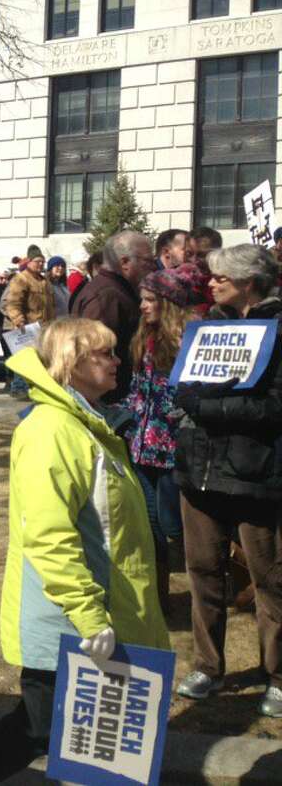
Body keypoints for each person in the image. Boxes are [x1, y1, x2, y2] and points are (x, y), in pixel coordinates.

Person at [0, 318, 169, 786]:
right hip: (73, 621)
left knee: (76, 735)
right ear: (70, 363)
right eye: (105, 353)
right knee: (42, 726)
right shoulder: (52, 430)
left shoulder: (85, 423)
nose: (118, 361)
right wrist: (90, 616)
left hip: (102, 612)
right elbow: (49, 537)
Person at [171, 244, 282, 716]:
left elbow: (274, 407)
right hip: (200, 469)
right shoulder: (207, 327)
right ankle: (208, 667)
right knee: (202, 572)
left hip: (256, 472)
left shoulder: (278, 329)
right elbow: (184, 384)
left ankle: (276, 676)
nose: (211, 284)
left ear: (250, 283)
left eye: (221, 278)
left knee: (270, 577)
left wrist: (207, 407)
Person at [117, 263, 205, 618]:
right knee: (151, 532)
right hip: (141, 450)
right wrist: (117, 415)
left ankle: (212, 592)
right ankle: (158, 601)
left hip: (174, 452)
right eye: (142, 299)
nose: (142, 306)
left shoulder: (191, 338)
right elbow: (138, 394)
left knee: (176, 528)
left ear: (167, 302)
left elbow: (190, 396)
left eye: (150, 299)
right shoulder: (144, 339)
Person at [73, 230, 155, 401]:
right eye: (147, 260)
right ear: (125, 262)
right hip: (108, 400)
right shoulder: (107, 295)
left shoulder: (116, 289)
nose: (153, 266)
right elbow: (93, 354)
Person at [4, 248, 55, 401]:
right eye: (37, 261)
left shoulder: (44, 281)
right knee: (26, 359)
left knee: (41, 360)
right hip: (27, 327)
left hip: (44, 328)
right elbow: (12, 302)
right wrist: (18, 320)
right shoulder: (21, 279)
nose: (40, 264)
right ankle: (19, 389)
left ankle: (36, 389)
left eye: (42, 262)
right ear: (29, 262)